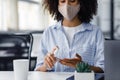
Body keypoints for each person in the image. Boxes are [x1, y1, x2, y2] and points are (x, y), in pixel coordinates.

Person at [35, 0, 104, 77]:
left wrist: (82, 67)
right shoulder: (49, 32)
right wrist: (46, 65)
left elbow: (102, 69)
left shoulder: (95, 32)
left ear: (81, 2)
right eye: (62, 1)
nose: (66, 6)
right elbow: (38, 70)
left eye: (72, 1)